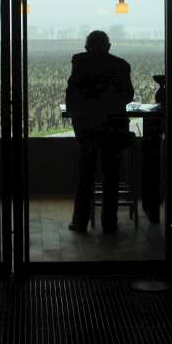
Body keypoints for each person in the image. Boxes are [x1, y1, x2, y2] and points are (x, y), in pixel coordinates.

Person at [65, 30, 134, 234]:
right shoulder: (121, 65)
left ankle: (80, 222)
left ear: (86, 47)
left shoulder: (80, 63)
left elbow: (72, 95)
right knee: (111, 176)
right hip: (114, 127)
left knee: (85, 174)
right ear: (109, 46)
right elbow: (128, 95)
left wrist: (80, 118)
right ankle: (109, 223)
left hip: (87, 129)